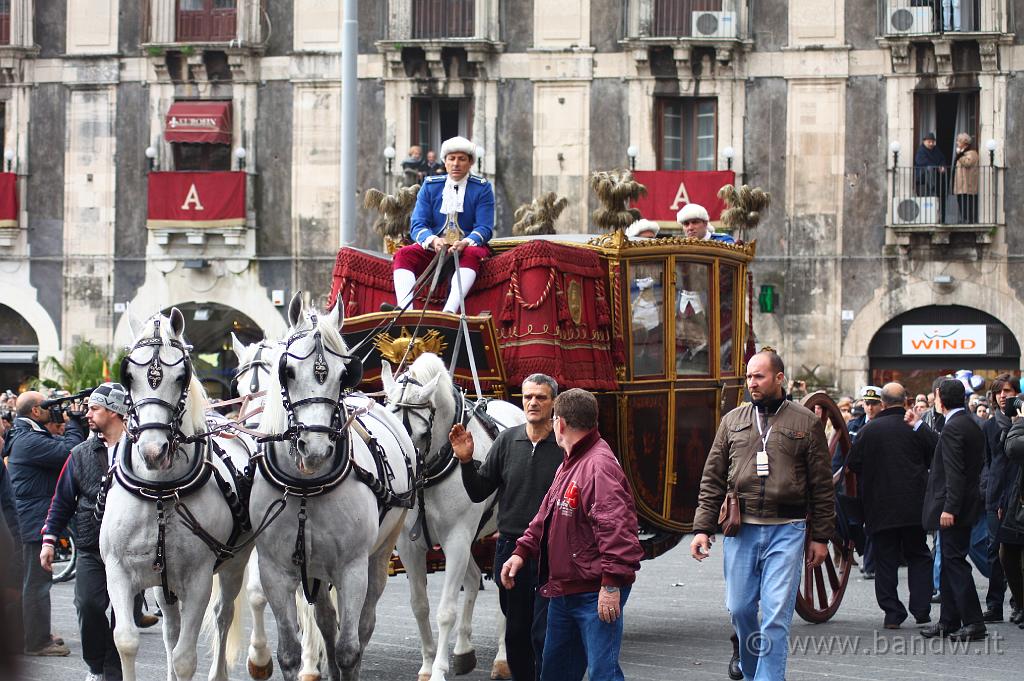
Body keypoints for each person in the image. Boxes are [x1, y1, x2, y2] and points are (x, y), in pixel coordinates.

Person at [690, 349, 834, 681]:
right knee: (739, 608)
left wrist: (822, 537)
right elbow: (712, 478)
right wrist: (702, 528)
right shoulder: (733, 421)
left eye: (759, 377)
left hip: (788, 530)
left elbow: (823, 486)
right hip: (742, 530)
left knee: (775, 617)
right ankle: (754, 670)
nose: (751, 383)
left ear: (779, 378)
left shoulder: (806, 422)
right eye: (749, 377)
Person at [501, 389, 643, 681]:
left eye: (554, 419)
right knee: (556, 672)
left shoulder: (598, 466)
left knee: (603, 673)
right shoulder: (572, 461)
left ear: (560, 424)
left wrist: (611, 586)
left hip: (594, 592)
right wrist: (521, 551)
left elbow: (618, 531)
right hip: (566, 589)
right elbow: (546, 514)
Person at [450, 374, 563, 681]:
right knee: (515, 631)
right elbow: (478, 491)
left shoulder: (565, 444)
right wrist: (465, 461)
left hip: (553, 550)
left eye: (541, 397)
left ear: (554, 403)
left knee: (544, 629)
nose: (533, 402)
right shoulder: (507, 440)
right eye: (528, 397)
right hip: (511, 549)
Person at [40, 383, 130, 681]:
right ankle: (96, 665)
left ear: (115, 411)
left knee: (123, 617)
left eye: (94, 408)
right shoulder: (80, 453)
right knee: (88, 606)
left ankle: (113, 671)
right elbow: (62, 500)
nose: (86, 414)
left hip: (132, 552)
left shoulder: (141, 451)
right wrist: (49, 540)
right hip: (92, 547)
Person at [4, 390, 86, 656]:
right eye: (49, 406)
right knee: (37, 583)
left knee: (31, 581)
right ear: (36, 412)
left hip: (30, 518)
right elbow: (69, 452)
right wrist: (74, 422)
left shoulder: (26, 435)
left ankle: (30, 634)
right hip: (33, 521)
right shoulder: (28, 439)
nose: (55, 411)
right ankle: (37, 642)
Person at [846, 382, 933, 628]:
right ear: (906, 402)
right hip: (913, 505)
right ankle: (921, 608)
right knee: (918, 554)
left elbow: (853, 464)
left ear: (882, 403)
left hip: (879, 506)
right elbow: (934, 452)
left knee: (885, 560)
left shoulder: (869, 430)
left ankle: (892, 613)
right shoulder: (915, 428)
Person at [388, 136, 494, 314]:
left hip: (466, 248)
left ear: (470, 163)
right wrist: (433, 241)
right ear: (444, 162)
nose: (456, 164)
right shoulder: (430, 186)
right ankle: (405, 311)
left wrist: (465, 242)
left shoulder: (482, 188)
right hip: (435, 248)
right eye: (451, 159)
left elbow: (484, 227)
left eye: (461, 159)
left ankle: (449, 311)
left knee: (471, 254)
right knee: (403, 254)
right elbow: (418, 224)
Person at [918, 379, 987, 641]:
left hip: (955, 507)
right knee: (948, 562)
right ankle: (948, 620)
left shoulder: (954, 428)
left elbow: (955, 474)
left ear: (940, 399)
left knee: (955, 563)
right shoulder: (967, 423)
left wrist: (949, 508)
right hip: (965, 503)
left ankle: (973, 622)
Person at [981, 374, 1018, 622]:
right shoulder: (990, 425)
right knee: (994, 552)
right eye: (998, 392)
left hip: (1017, 496)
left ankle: (1019, 603)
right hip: (994, 496)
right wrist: (986, 488)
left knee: (1016, 552)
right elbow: (986, 461)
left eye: (1007, 390)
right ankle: (995, 605)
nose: (1002, 395)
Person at [953, 133, 979, 224]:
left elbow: (967, 163)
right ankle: (964, 219)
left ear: (965, 143)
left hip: (968, 185)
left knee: (967, 204)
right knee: (961, 202)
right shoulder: (963, 153)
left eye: (959, 141)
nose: (957, 143)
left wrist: (959, 155)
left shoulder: (972, 153)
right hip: (961, 184)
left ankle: (969, 220)